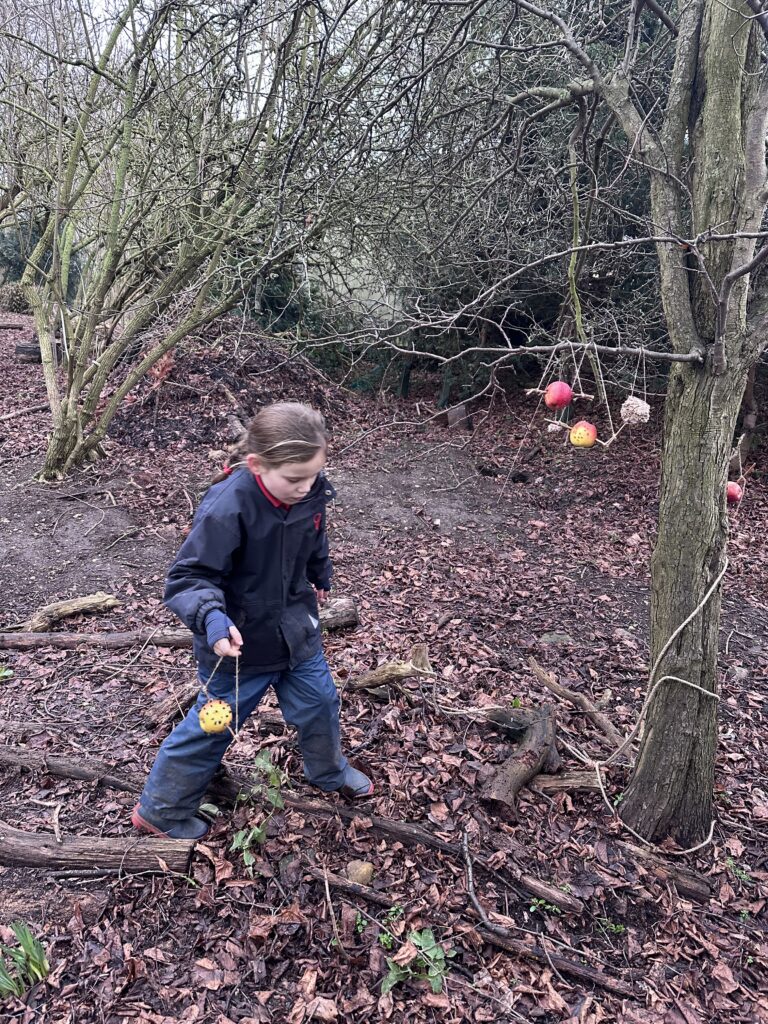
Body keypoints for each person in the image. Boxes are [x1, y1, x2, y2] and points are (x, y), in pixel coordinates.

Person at [131, 402, 373, 839]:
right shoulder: (229, 505)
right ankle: (161, 810)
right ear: (257, 465)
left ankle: (328, 772)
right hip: (237, 648)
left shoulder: (307, 489)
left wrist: (320, 573)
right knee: (212, 727)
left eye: (314, 475)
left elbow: (314, 531)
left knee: (320, 704)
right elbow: (190, 577)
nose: (306, 487)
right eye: (295, 479)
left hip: (296, 632)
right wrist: (213, 620)